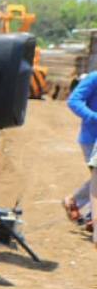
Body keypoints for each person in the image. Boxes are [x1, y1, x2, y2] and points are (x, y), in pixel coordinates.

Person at [63, 71, 96, 231]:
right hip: (92, 137)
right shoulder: (94, 77)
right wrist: (93, 116)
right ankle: (90, 216)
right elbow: (73, 100)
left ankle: (76, 203)